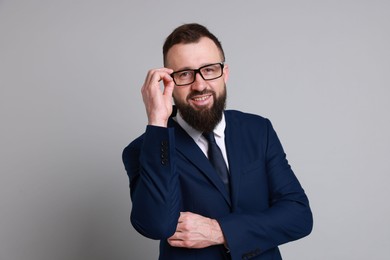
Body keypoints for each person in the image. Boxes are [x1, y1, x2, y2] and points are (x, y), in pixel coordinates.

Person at [122, 23, 313, 260]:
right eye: (184, 74)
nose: (200, 85)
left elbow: (299, 216)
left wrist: (220, 231)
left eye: (209, 70)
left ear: (225, 73)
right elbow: (156, 225)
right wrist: (157, 122)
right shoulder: (145, 148)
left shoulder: (258, 130)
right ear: (167, 84)